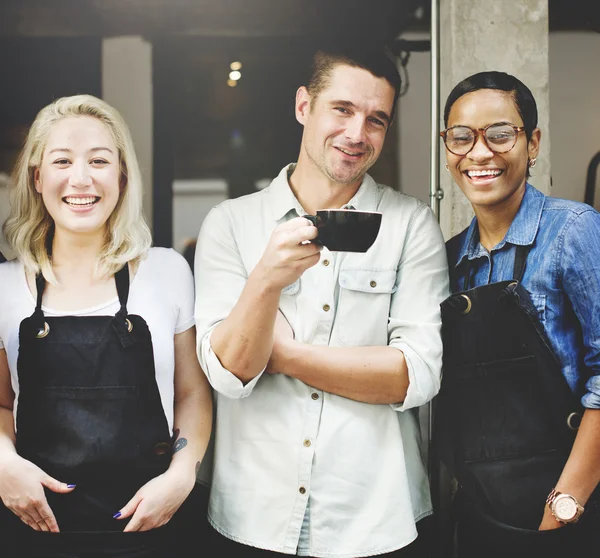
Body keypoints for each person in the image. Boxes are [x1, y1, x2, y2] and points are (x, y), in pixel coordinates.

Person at [194, 46, 449, 557]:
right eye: (343, 109)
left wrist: (282, 354)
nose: (358, 134)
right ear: (303, 107)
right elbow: (228, 373)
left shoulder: (411, 225)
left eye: (376, 119)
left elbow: (415, 375)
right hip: (252, 515)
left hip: (375, 519)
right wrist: (265, 280)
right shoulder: (231, 224)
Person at [0, 95, 213, 557]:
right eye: (62, 161)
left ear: (122, 176)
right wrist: (2, 464)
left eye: (99, 160)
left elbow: (191, 393)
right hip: (32, 530)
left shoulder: (167, 270)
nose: (81, 178)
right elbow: (0, 402)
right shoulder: (4, 285)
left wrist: (181, 476)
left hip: (154, 525)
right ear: (37, 177)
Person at [434, 71, 600, 558]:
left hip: (571, 513)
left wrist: (564, 508)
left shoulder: (574, 231)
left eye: (500, 134)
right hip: (483, 516)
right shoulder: (446, 260)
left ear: (532, 144)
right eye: (461, 137)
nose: (479, 153)